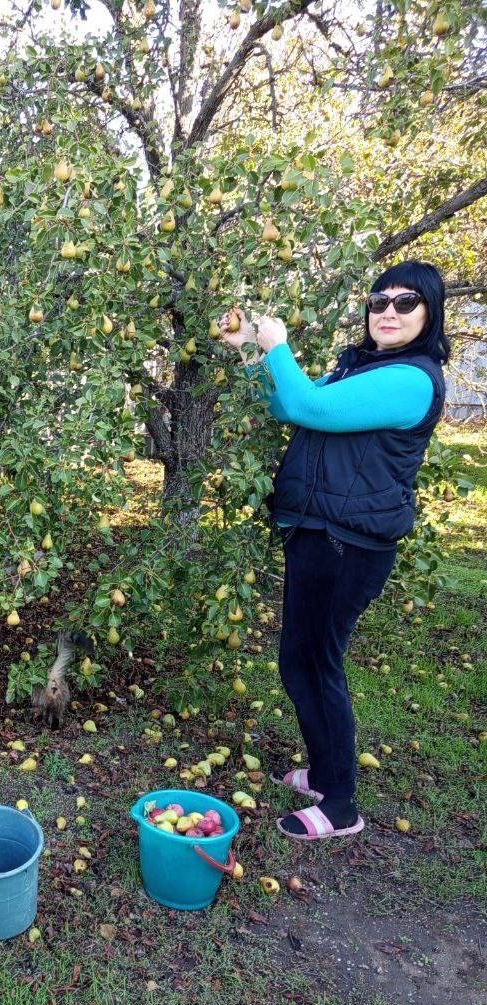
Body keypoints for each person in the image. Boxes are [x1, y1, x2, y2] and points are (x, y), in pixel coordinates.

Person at [220, 260, 450, 841]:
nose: (389, 312)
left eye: (405, 302)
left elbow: (310, 409)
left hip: (349, 544)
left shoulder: (413, 378)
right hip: (319, 532)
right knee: (300, 659)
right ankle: (324, 772)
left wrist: (280, 345)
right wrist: (250, 352)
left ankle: (342, 806)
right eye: (379, 302)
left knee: (317, 662)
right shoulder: (360, 368)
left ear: (429, 312)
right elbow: (282, 405)